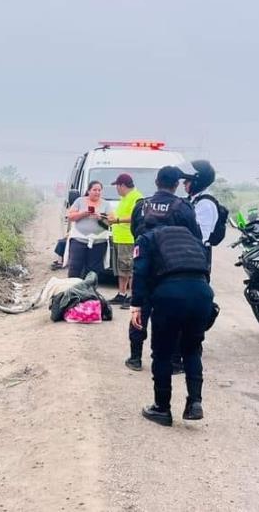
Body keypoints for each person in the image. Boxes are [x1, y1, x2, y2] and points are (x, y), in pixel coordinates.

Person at [130, 223, 213, 426]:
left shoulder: (147, 238)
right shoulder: (191, 237)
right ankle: (194, 403)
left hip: (170, 295)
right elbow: (206, 267)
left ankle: (162, 408)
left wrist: (137, 305)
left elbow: (139, 272)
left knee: (163, 352)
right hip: (202, 294)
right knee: (192, 349)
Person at [125, 166, 201, 371]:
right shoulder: (183, 207)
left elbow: (135, 233)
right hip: (173, 271)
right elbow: (195, 238)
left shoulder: (141, 205)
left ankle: (135, 358)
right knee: (174, 314)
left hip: (146, 268)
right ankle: (174, 361)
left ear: (157, 181)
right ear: (176, 185)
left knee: (139, 308)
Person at [106, 173, 143, 308]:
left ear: (122, 185)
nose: (116, 189)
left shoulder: (136, 197)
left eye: (117, 186)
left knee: (130, 268)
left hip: (128, 239)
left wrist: (117, 220)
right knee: (121, 269)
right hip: (119, 238)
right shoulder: (124, 198)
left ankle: (132, 296)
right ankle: (121, 294)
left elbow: (136, 217)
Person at [66, 181, 113, 280]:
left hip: (99, 241)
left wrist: (100, 217)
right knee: (75, 267)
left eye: (99, 190)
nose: (97, 192)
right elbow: (70, 216)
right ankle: (73, 290)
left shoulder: (106, 204)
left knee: (93, 270)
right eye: (94, 190)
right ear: (88, 190)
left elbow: (111, 221)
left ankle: (89, 292)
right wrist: (83, 214)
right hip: (79, 239)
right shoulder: (80, 201)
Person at [183, 159, 218, 270]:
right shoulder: (194, 200)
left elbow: (200, 236)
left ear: (197, 182)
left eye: (188, 180)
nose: (184, 183)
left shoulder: (205, 204)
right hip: (188, 253)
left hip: (196, 256)